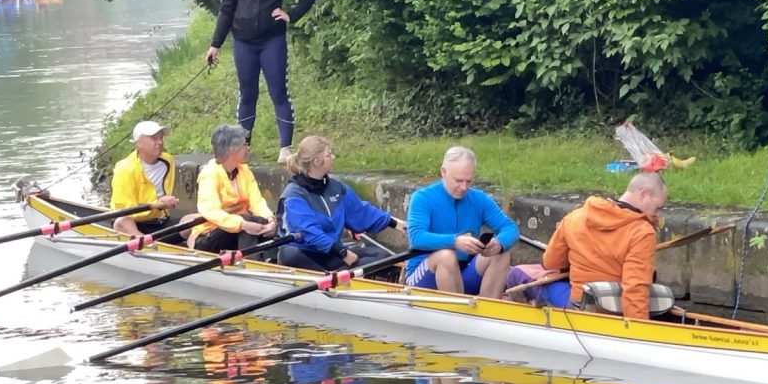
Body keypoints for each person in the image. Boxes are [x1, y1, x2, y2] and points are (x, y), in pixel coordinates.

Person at [205, 0, 317, 163]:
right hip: (243, 42)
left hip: (272, 40)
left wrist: (291, 14)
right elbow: (226, 9)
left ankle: (285, 149)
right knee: (247, 95)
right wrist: (215, 44)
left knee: (279, 92)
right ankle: (243, 148)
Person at [541, 171, 667, 318]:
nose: (658, 214)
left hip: (578, 304)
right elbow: (635, 288)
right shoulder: (642, 232)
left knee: (521, 277)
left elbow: (550, 262)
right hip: (612, 309)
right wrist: (638, 328)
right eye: (658, 207)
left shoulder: (575, 217)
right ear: (643, 194)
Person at [277, 135, 405, 271]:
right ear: (316, 162)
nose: (333, 158)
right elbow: (308, 232)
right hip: (304, 255)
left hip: (330, 253)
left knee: (382, 256)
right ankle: (331, 278)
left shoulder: (337, 188)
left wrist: (394, 223)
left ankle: (337, 277)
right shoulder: (293, 195)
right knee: (289, 254)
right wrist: (342, 252)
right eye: (328, 155)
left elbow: (361, 212)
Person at [405, 146, 518, 297]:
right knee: (447, 256)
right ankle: (458, 312)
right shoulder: (422, 198)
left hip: (463, 272)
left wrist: (499, 243)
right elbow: (416, 238)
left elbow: (510, 228)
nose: (464, 187)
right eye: (458, 181)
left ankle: (487, 310)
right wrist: (455, 241)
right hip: (424, 278)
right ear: (443, 172)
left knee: (502, 254)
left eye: (468, 181)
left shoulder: (479, 199)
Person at [189, 124, 278, 253]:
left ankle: (269, 259)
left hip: (237, 231)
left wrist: (270, 220)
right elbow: (211, 212)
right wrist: (242, 224)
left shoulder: (244, 171)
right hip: (208, 234)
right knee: (246, 220)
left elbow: (257, 202)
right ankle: (252, 261)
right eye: (245, 144)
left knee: (264, 221)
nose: (248, 148)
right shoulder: (209, 174)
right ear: (232, 149)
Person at [110, 120, 189, 244]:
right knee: (122, 221)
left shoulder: (168, 161)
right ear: (139, 143)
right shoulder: (125, 169)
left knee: (194, 219)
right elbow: (123, 209)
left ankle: (197, 251)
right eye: (154, 138)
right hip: (133, 223)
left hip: (160, 222)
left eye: (161, 138)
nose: (160, 142)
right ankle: (148, 245)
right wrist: (156, 204)